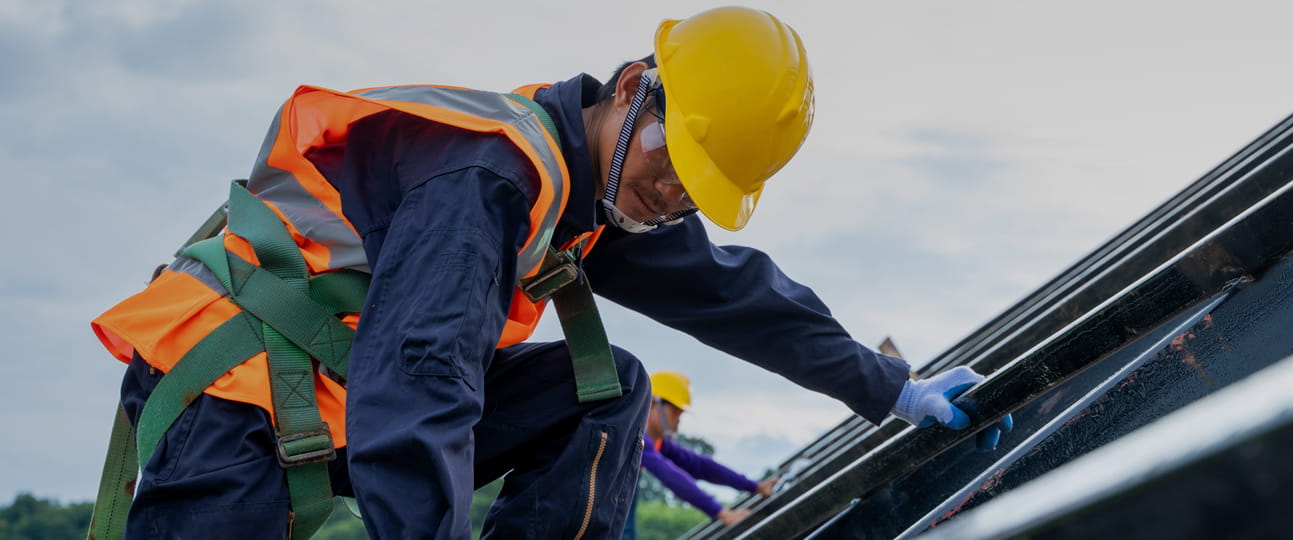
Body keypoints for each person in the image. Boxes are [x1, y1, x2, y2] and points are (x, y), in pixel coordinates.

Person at [86, 6, 1011, 539]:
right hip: (235, 403)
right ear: (630, 88)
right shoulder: (490, 177)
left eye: (701, 192)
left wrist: (892, 387)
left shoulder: (590, 192)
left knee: (607, 391)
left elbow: (734, 292)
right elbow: (421, 386)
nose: (675, 199)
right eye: (674, 166)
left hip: (338, 398)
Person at [622, 371, 776, 540]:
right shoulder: (635, 437)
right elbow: (670, 475)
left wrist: (754, 486)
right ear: (651, 404)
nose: (678, 420)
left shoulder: (658, 444)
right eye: (674, 412)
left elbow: (700, 466)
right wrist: (722, 513)